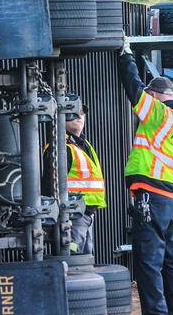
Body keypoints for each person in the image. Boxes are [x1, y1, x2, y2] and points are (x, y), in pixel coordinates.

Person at [118, 38, 173, 315]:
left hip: (153, 197)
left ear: (157, 96)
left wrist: (125, 56)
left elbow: (133, 88)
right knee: (172, 262)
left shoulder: (158, 113)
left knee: (148, 263)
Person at [64, 104, 107, 255]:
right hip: (73, 216)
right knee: (74, 259)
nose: (79, 116)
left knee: (86, 261)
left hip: (87, 214)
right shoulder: (61, 147)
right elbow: (50, 185)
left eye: (82, 113)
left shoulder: (84, 145)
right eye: (74, 113)